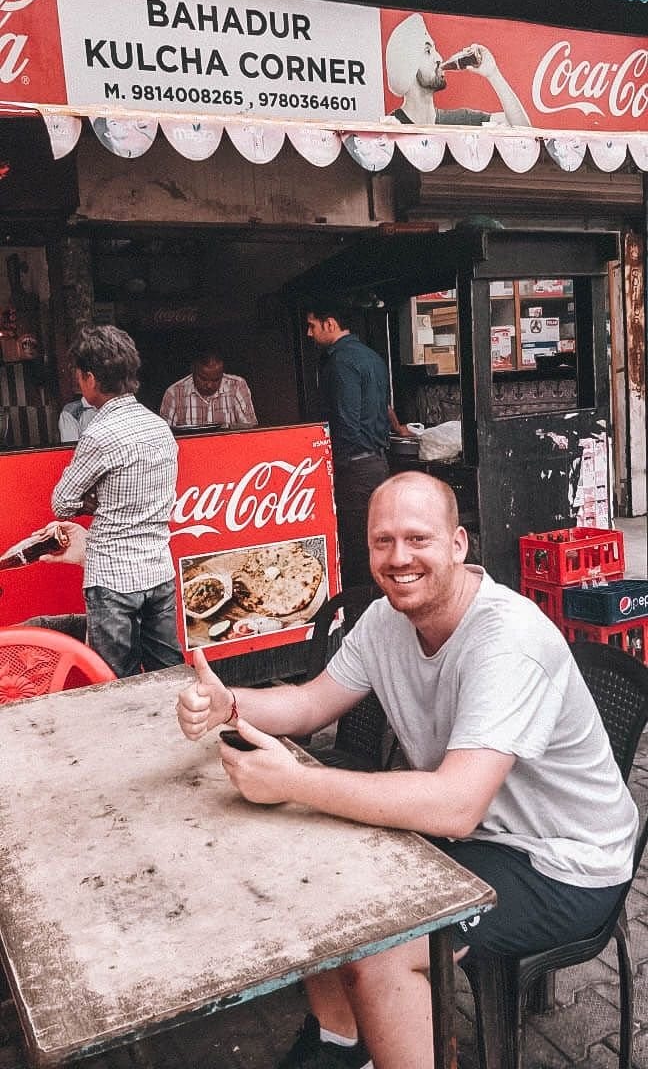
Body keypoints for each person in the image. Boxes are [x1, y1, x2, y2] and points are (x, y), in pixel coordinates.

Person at [176, 472, 638, 1069]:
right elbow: (311, 703)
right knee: (310, 863)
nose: (399, 559)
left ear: (458, 544)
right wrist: (230, 703)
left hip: (566, 862)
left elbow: (454, 804)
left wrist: (295, 783)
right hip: (480, 836)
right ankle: (339, 1041)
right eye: (382, 542)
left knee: (383, 947)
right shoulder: (384, 623)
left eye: (418, 539)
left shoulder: (507, 640)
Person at [51, 324, 184, 679]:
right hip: (158, 570)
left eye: (80, 375)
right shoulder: (159, 427)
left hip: (112, 578)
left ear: (91, 378)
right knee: (168, 673)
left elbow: (62, 502)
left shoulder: (98, 434)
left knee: (115, 682)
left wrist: (95, 502)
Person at [306, 299, 390, 587]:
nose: (309, 333)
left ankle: (363, 614)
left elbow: (346, 420)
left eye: (312, 325)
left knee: (356, 547)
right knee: (376, 540)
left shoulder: (340, 362)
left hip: (355, 467)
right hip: (377, 462)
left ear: (330, 323)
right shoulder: (373, 357)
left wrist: (333, 468)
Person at [385, 12, 531, 128]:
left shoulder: (460, 121)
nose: (439, 58)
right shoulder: (390, 129)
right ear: (406, 65)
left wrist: (493, 73)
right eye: (428, 51)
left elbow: (522, 129)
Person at [159, 347, 257, 430]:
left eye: (216, 380)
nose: (209, 385)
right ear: (193, 370)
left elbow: (250, 430)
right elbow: (166, 438)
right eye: (203, 379)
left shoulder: (237, 386)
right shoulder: (174, 393)